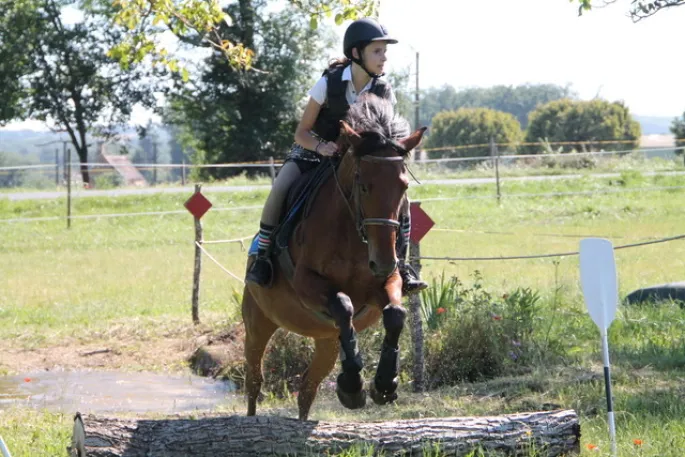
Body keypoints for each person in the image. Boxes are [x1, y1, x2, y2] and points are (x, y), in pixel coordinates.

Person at [246, 17, 427, 295]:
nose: (384, 58)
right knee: (280, 190)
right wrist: (322, 147)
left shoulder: (384, 91)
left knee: (401, 198)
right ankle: (263, 257)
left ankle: (401, 266)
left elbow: (384, 140)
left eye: (385, 52)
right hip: (312, 153)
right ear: (356, 53)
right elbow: (302, 132)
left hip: (356, 161)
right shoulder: (327, 84)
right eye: (377, 51)